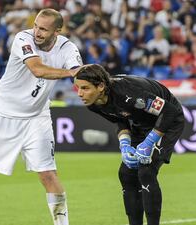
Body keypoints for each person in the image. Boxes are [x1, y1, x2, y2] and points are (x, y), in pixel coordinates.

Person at [0, 8, 82, 225]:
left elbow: (79, 74)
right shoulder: (22, 38)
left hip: (37, 117)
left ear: (58, 30)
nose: (37, 32)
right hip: (2, 114)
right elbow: (37, 69)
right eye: (36, 25)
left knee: (48, 175)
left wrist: (87, 80)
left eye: (44, 29)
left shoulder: (68, 48)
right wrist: (70, 73)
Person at [73, 64, 184, 225]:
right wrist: (124, 144)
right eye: (77, 88)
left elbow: (170, 112)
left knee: (146, 171)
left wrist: (149, 141)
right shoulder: (93, 104)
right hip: (141, 123)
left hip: (168, 121)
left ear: (101, 86)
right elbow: (120, 118)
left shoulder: (128, 93)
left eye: (85, 88)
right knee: (126, 173)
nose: (80, 93)